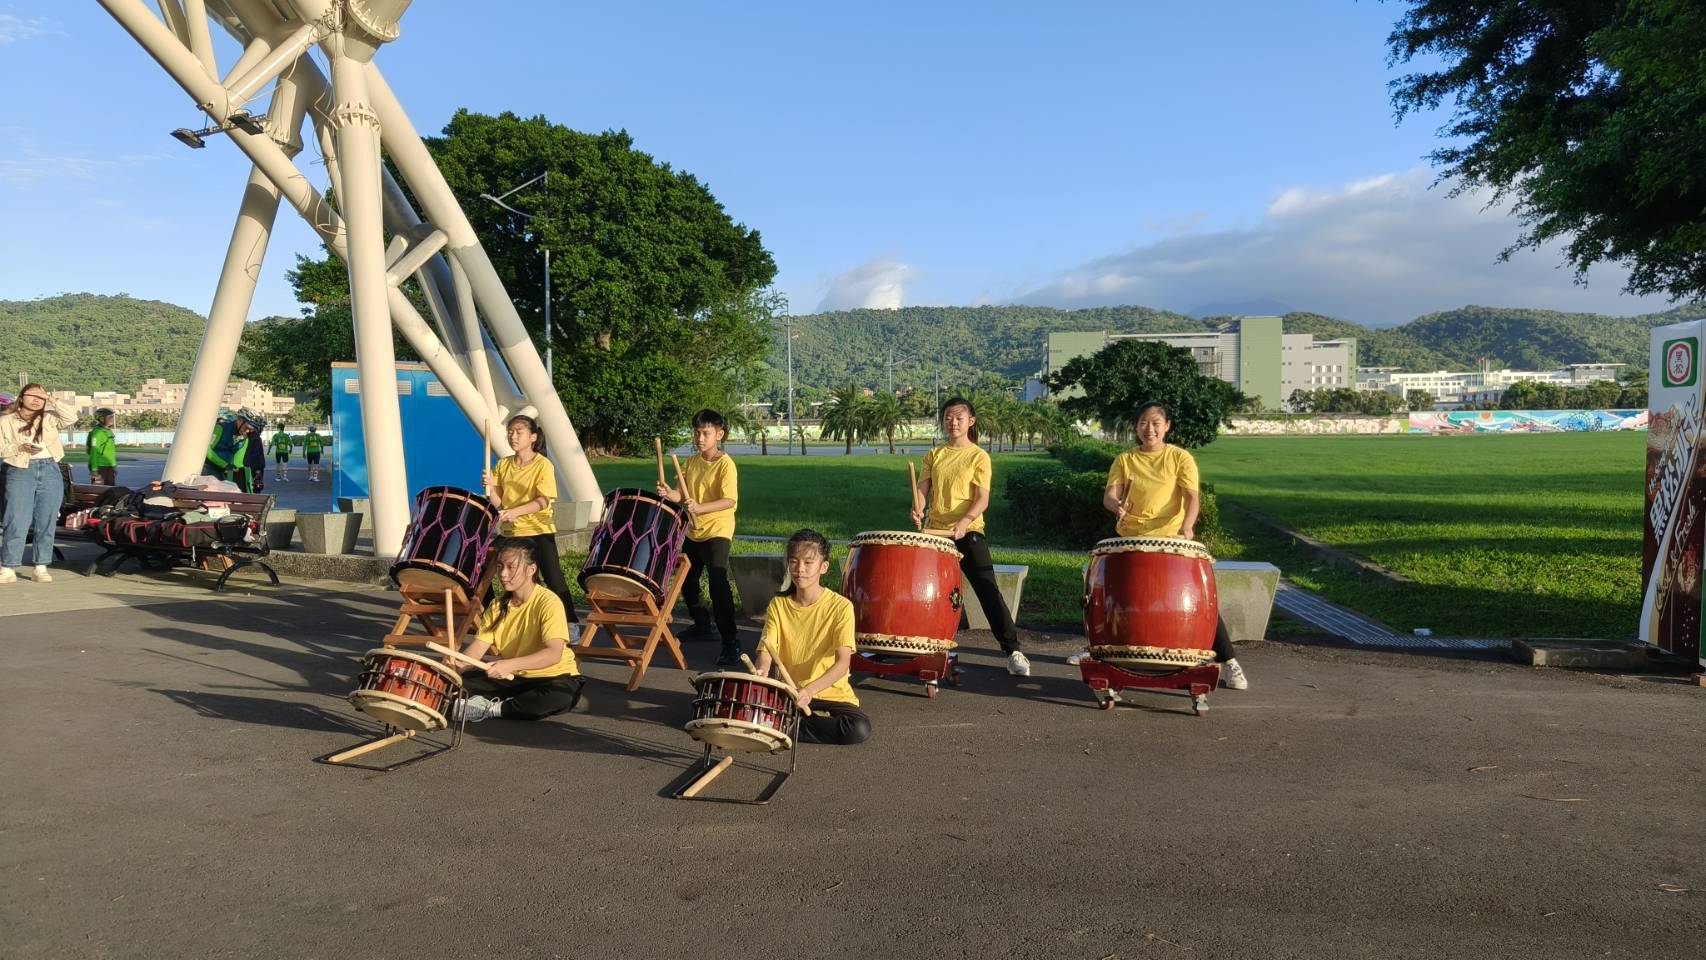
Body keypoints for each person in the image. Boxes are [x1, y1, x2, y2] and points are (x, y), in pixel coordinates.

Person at [1090, 400, 1249, 690]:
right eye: (1143, 423)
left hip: (1171, 542)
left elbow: (1192, 497)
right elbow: (1109, 496)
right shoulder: (1125, 460)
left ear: (1167, 426)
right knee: (1107, 594)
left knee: (1200, 603)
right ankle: (1098, 648)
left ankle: (1230, 661)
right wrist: (1116, 505)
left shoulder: (1179, 457)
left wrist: (1188, 526)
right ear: (1136, 427)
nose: (1149, 429)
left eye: (1155, 423)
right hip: (1131, 540)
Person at [912, 396, 1028, 676]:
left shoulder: (978, 456)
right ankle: (926, 647)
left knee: (987, 589)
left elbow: (982, 498)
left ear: (971, 422)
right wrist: (917, 509)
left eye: (958, 418)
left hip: (968, 530)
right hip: (936, 532)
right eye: (948, 418)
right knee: (929, 592)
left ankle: (1013, 650)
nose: (952, 422)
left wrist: (964, 522)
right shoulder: (934, 455)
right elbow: (922, 490)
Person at [753, 529, 872, 745]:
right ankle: (789, 724)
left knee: (858, 728)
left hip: (829, 694)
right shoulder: (778, 605)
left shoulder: (841, 607)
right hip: (791, 693)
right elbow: (766, 651)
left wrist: (809, 690)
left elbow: (843, 663)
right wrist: (761, 671)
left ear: (823, 567)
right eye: (794, 561)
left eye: (808, 562)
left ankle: (784, 727)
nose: (800, 569)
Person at [451, 538, 584, 723]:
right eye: (500, 566)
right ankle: (508, 703)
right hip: (513, 677)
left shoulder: (549, 602)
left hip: (554, 676)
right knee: (451, 687)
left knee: (559, 697)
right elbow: (477, 649)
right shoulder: (497, 606)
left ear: (531, 569)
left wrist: (509, 665)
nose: (503, 574)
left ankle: (493, 709)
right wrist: (453, 668)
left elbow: (553, 654)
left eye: (511, 567)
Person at [657, 409, 741, 665]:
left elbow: (729, 500)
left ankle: (731, 641)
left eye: (706, 433)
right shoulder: (692, 462)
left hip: (717, 530)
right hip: (694, 530)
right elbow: (681, 495)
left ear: (719, 434)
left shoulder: (725, 464)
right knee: (687, 578)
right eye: (697, 433)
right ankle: (702, 624)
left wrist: (700, 507)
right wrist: (669, 493)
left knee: (717, 582)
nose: (700, 438)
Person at [482, 414, 575, 619]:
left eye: (518, 432)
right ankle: (492, 616)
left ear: (533, 437)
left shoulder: (543, 465)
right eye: (510, 432)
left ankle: (570, 622)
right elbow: (500, 504)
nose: (513, 436)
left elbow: (543, 501)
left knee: (553, 578)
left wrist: (515, 512)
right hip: (511, 532)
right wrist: (491, 488)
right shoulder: (503, 464)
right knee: (480, 566)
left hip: (538, 530)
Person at [0, 384, 76, 584]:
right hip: (20, 469)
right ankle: (8, 566)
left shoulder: (49, 417)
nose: (36, 400)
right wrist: (20, 446)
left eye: (41, 397)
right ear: (21, 397)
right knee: (16, 519)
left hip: (50, 468)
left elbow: (71, 417)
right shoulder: (6, 420)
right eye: (32, 395)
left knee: (46, 520)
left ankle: (41, 566)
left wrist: (52, 399)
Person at [203, 413, 261, 492]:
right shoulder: (221, 428)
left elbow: (239, 461)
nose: (247, 431)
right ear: (239, 420)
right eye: (246, 427)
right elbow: (207, 450)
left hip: (224, 472)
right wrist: (225, 465)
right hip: (209, 469)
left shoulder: (244, 438)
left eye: (250, 430)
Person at [87, 408, 117, 485]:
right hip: (100, 467)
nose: (112, 419)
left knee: (111, 490)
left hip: (109, 466)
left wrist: (114, 466)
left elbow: (110, 451)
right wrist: (94, 470)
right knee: (98, 490)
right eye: (109, 417)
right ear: (101, 419)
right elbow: (93, 451)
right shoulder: (97, 433)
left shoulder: (108, 431)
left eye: (112, 417)